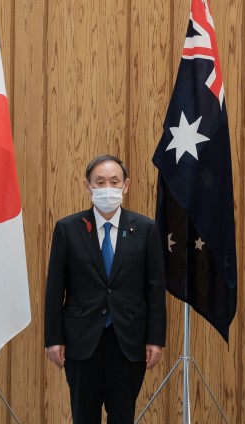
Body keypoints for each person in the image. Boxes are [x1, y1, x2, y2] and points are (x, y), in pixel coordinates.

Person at [44, 154, 167, 424]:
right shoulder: (67, 229)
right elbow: (55, 288)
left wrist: (155, 339)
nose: (107, 188)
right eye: (100, 182)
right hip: (81, 340)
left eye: (114, 181)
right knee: (83, 416)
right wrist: (53, 339)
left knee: (122, 416)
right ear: (88, 186)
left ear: (126, 185)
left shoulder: (146, 229)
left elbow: (155, 289)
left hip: (128, 340)